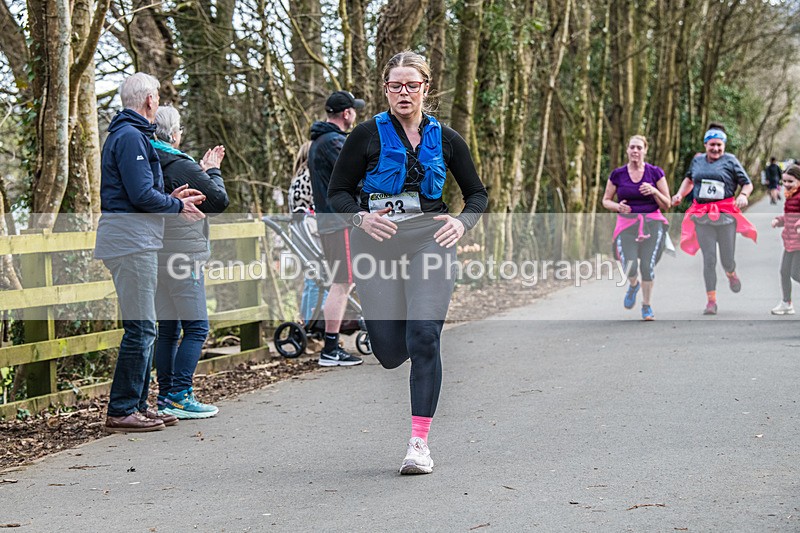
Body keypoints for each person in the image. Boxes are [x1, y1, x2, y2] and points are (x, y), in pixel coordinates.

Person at [328, 50, 488, 474]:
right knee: (389, 351)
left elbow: (477, 194)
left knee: (424, 336)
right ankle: (386, 328)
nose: (403, 92)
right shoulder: (365, 135)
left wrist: (462, 223)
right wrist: (360, 217)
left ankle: (419, 443)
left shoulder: (448, 138)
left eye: (411, 85)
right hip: (377, 245)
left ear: (425, 89)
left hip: (429, 240)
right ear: (385, 90)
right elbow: (337, 193)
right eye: (395, 85)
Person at [94, 73, 206, 433]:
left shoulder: (131, 136)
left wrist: (171, 199)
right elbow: (141, 195)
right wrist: (175, 208)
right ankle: (122, 408)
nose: (158, 102)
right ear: (150, 101)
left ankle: (138, 406)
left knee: (147, 328)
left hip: (139, 240)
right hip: (130, 242)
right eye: (157, 96)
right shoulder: (130, 137)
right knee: (141, 328)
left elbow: (139, 192)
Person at [151, 106, 229, 419]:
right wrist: (211, 169)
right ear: (173, 133)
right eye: (180, 129)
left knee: (168, 328)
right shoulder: (177, 162)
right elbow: (219, 201)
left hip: (157, 253)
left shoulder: (148, 160)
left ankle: (166, 397)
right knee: (197, 326)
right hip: (184, 255)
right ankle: (181, 394)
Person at [308, 91, 366, 367]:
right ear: (346, 114)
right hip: (338, 221)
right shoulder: (333, 142)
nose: (355, 113)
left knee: (343, 281)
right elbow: (356, 175)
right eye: (354, 109)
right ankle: (330, 348)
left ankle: (332, 343)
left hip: (332, 220)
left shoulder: (322, 141)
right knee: (342, 282)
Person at [672, 128, 757, 315]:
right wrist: (679, 194)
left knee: (727, 259)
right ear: (706, 145)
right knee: (709, 260)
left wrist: (743, 195)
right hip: (702, 216)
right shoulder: (697, 160)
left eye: (719, 145)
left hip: (725, 216)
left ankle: (731, 273)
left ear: (724, 146)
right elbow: (689, 180)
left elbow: (747, 183)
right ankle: (711, 301)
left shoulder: (731, 161)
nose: (716, 148)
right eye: (712, 145)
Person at [602, 135, 671, 320]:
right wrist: (618, 207)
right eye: (632, 147)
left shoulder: (655, 173)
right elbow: (606, 200)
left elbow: (667, 204)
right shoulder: (618, 174)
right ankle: (633, 285)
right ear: (627, 150)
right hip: (627, 225)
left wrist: (654, 191)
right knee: (630, 266)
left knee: (647, 267)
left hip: (652, 224)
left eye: (639, 148)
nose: (635, 151)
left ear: (645, 150)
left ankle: (646, 306)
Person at [770, 164, 800, 315]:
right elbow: (790, 216)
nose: (787, 185)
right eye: (784, 182)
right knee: (784, 272)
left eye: (790, 181)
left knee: (796, 273)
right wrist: (779, 220)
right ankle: (786, 303)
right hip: (790, 241)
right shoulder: (791, 196)